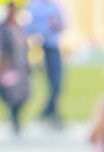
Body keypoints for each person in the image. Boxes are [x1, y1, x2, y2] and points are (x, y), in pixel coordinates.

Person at [26, 0, 66, 128]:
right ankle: (49, 112)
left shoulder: (55, 5)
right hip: (39, 47)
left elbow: (63, 24)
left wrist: (57, 25)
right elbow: (29, 28)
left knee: (57, 83)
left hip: (53, 46)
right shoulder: (33, 6)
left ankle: (49, 111)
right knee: (46, 83)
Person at [0, 2, 30, 136]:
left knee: (25, 94)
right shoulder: (3, 29)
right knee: (13, 94)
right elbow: (3, 50)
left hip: (21, 66)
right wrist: (3, 67)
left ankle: (15, 114)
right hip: (10, 66)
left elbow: (25, 48)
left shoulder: (20, 27)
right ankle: (14, 118)